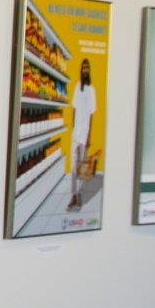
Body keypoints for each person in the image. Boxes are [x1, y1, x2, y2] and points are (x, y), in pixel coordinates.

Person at [66, 58, 97, 213]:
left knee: (82, 167)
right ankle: (73, 196)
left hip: (84, 134)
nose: (85, 70)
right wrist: (73, 127)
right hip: (76, 133)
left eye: (87, 68)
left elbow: (91, 114)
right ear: (81, 69)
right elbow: (74, 108)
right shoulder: (78, 87)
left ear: (89, 71)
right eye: (83, 67)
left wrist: (89, 135)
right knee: (73, 165)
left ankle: (78, 197)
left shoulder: (91, 90)